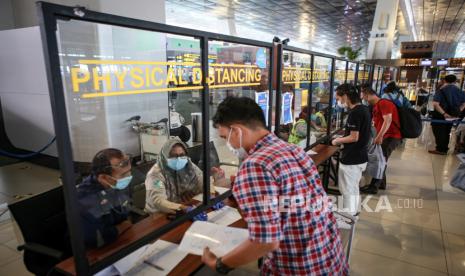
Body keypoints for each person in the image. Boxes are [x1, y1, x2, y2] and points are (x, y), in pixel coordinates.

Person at [202, 97, 348, 275]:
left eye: (225, 137)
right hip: (330, 259)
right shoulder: (292, 150)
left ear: (237, 131)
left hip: (298, 268)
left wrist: (220, 264)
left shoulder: (255, 165)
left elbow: (266, 241)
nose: (228, 144)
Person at [144, 138, 226, 214]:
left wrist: (211, 195)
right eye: (173, 156)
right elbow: (159, 201)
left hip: (182, 206)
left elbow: (203, 180)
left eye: (181, 155)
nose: (179, 159)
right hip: (158, 215)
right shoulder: (155, 175)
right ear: (165, 156)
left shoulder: (188, 164)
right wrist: (183, 208)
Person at [77, 148, 133, 248]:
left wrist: (124, 225)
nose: (129, 176)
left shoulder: (115, 183)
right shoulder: (86, 197)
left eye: (129, 171)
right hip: (93, 252)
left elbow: (126, 210)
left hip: (123, 239)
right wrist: (122, 226)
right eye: (123, 175)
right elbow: (98, 239)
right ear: (103, 178)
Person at [332, 84, 371, 227]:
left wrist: (337, 140)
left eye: (339, 98)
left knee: (347, 189)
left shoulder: (355, 113)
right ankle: (353, 213)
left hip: (352, 158)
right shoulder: (364, 109)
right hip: (360, 157)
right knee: (353, 187)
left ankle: (347, 218)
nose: (339, 101)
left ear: (346, 96)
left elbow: (354, 137)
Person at [360, 87, 402, 194]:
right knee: (381, 160)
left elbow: (388, 120)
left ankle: (374, 187)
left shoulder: (383, 103)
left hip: (391, 136)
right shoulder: (377, 105)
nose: (363, 98)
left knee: (380, 161)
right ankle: (381, 184)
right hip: (386, 136)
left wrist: (379, 136)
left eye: (363, 96)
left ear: (367, 94)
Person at [429, 74, 465, 155]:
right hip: (453, 114)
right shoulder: (459, 90)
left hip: (440, 114)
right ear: (455, 81)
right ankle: (444, 148)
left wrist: (444, 113)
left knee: (438, 131)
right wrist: (459, 110)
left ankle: (440, 149)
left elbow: (435, 104)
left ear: (445, 80)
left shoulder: (441, 90)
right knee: (447, 131)